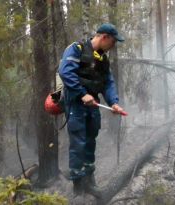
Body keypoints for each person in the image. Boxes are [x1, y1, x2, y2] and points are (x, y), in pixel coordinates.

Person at [58, 23, 125, 195]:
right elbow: (65, 72)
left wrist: (113, 102)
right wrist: (82, 94)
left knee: (90, 140)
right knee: (78, 142)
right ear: (105, 37)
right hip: (76, 103)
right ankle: (78, 186)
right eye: (113, 42)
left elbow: (108, 82)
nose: (113, 46)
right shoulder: (77, 49)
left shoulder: (102, 59)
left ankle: (90, 180)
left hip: (93, 105)